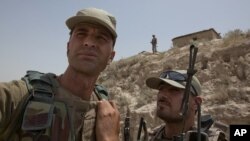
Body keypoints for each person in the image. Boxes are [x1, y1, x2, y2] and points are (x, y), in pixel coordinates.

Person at [0, 7, 120, 141]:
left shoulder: (107, 112)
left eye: (100, 38)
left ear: (111, 57)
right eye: (81, 34)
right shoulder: (21, 96)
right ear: (68, 47)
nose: (89, 42)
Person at [145, 70, 228, 141]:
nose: (162, 95)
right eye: (161, 89)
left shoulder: (212, 138)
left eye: (174, 90)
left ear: (196, 103)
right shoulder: (150, 137)